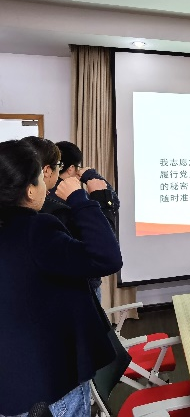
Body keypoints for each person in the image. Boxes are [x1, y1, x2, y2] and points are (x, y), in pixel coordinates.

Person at [0, 140, 123, 416]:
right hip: (50, 383)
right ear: (30, 189)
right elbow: (107, 258)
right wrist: (81, 200)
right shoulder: (36, 229)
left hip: (13, 385)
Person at [48, 141, 120, 301]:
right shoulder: (76, 197)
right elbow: (111, 208)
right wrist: (93, 176)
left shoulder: (44, 194)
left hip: (59, 281)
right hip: (84, 280)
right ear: (71, 168)